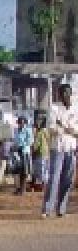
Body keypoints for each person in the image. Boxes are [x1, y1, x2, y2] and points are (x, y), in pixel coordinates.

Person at [43, 84, 78, 218]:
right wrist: (67, 129)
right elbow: (51, 128)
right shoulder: (54, 108)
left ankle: (61, 209)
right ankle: (47, 209)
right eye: (63, 93)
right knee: (54, 179)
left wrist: (64, 126)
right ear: (59, 95)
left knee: (67, 180)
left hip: (71, 147)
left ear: (71, 94)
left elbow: (76, 130)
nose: (66, 96)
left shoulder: (75, 108)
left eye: (68, 93)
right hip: (57, 147)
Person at [14, 116, 33, 195]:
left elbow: (30, 141)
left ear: (25, 123)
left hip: (25, 152)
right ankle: (19, 188)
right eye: (19, 122)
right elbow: (15, 140)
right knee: (18, 171)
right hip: (17, 152)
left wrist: (22, 145)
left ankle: (22, 189)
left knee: (24, 172)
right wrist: (15, 147)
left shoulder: (28, 130)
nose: (21, 124)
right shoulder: (16, 131)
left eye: (22, 122)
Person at [32, 114, 50, 189]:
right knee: (46, 168)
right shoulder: (47, 131)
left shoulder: (40, 132)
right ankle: (45, 183)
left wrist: (33, 150)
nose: (37, 123)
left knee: (40, 168)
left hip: (40, 152)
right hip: (47, 152)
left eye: (39, 121)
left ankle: (41, 184)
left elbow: (36, 144)